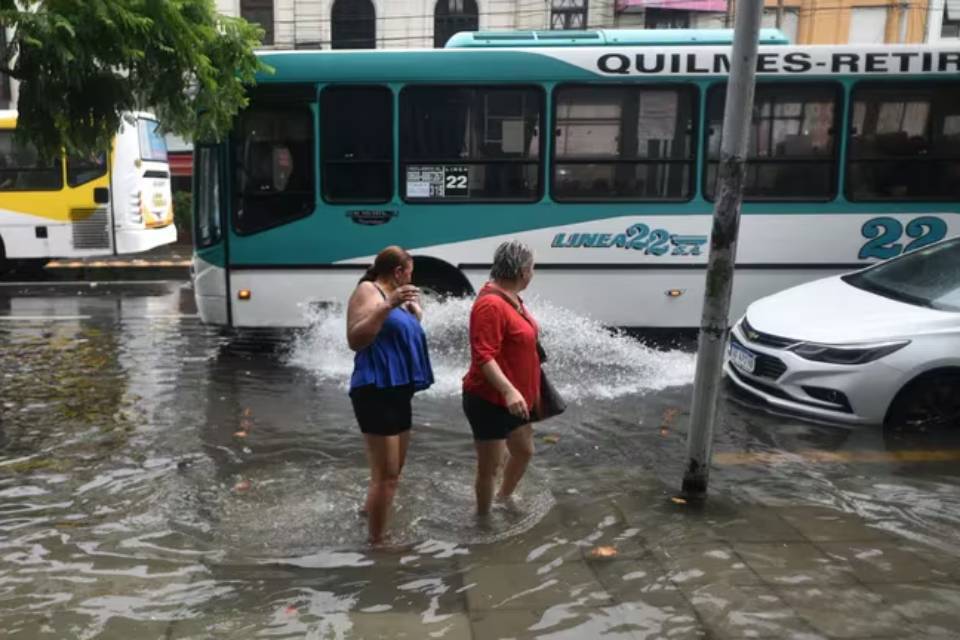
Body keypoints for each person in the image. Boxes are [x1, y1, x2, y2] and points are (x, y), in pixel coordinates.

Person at [346, 246, 433, 545]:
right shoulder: (368, 291)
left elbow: (395, 338)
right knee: (387, 476)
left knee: (392, 473)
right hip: (375, 389)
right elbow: (355, 339)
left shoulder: (397, 299)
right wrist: (389, 305)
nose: (411, 278)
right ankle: (377, 544)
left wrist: (414, 315)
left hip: (398, 390)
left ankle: (368, 514)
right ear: (398, 272)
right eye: (409, 272)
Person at [462, 240, 540, 516]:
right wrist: (508, 390)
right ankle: (482, 519)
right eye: (532, 268)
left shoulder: (513, 299)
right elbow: (483, 356)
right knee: (490, 467)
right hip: (490, 399)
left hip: (515, 399)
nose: (533, 273)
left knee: (524, 451)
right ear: (522, 271)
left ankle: (503, 498)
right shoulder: (490, 304)